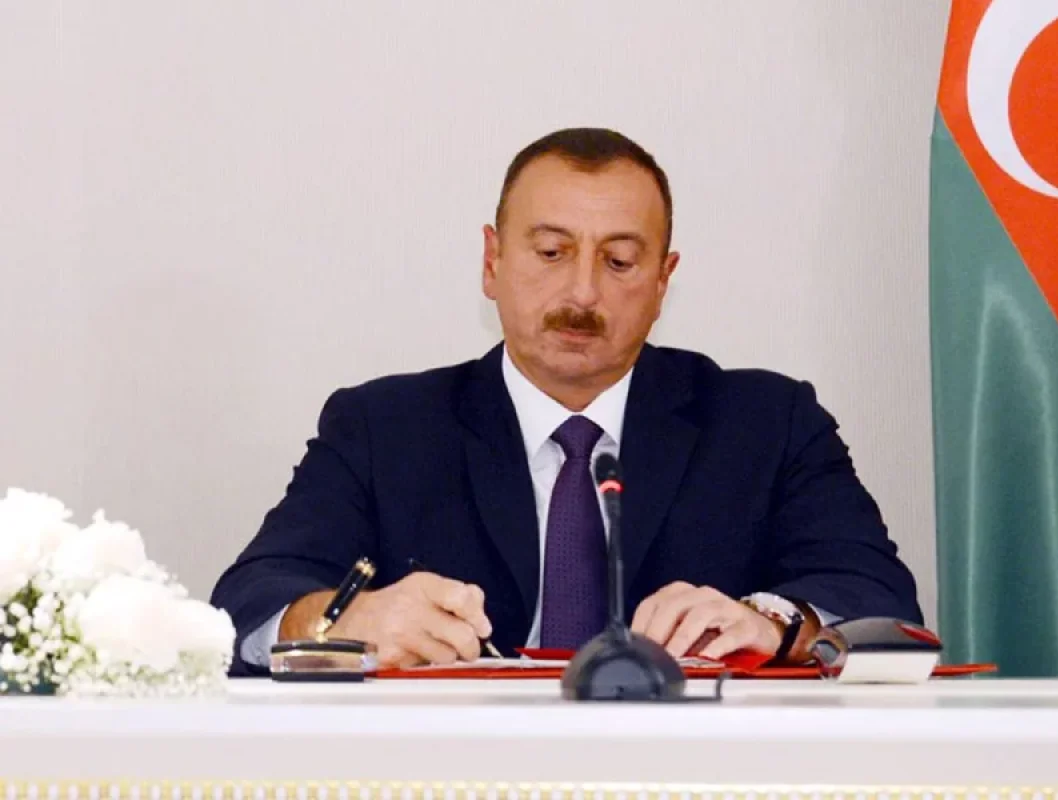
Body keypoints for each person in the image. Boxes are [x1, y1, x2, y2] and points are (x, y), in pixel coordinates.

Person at [211, 127, 922, 676]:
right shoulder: (384, 427)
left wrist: (773, 623)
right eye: (551, 252)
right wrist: (338, 623)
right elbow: (247, 602)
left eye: (619, 261)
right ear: (492, 261)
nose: (582, 293)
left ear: (663, 280)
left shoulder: (767, 423)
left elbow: (881, 601)